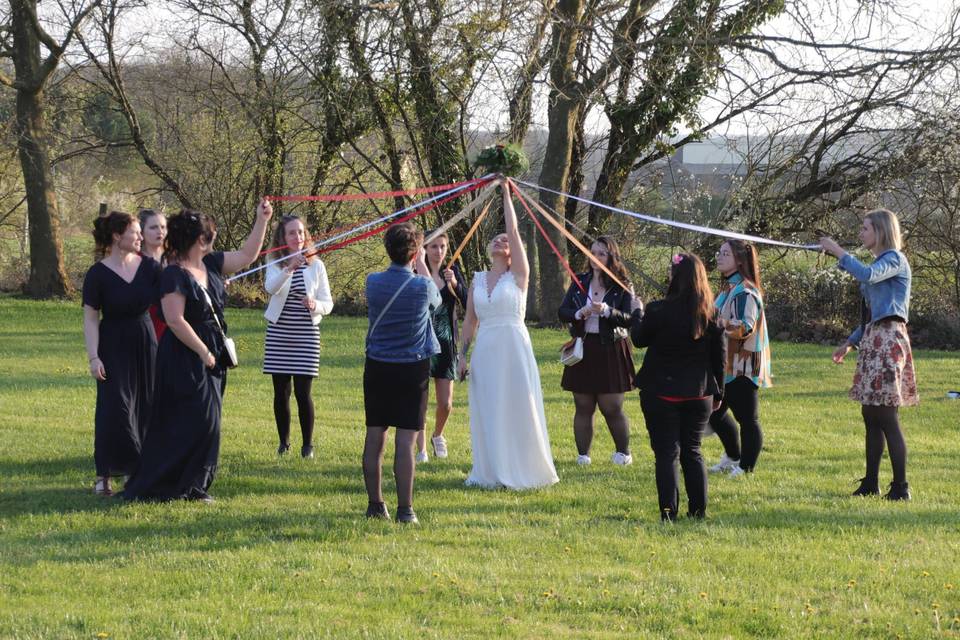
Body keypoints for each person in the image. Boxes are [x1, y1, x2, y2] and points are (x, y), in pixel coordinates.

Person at [123, 199, 273, 503]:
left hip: (213, 349)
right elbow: (175, 320)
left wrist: (263, 220)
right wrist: (203, 352)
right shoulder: (173, 274)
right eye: (209, 234)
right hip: (184, 354)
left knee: (210, 417)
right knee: (198, 419)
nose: (213, 239)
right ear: (197, 239)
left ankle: (193, 484)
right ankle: (176, 483)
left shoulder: (212, 264)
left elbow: (247, 255)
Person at [457, 180, 559, 490]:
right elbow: (469, 321)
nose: (502, 240)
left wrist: (506, 195)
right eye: (496, 238)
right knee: (489, 406)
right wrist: (462, 356)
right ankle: (490, 470)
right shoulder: (476, 279)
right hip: (486, 347)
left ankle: (523, 468)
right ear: (488, 249)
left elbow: (514, 232)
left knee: (516, 404)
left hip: (513, 345)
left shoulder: (519, 277)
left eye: (506, 240)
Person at [820, 209, 917, 501]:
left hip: (889, 341)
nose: (861, 233)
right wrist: (850, 342)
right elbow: (871, 314)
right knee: (870, 414)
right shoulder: (880, 261)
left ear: (881, 231)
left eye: (865, 229)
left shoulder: (894, 260)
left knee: (886, 414)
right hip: (875, 339)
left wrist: (839, 251)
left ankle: (900, 487)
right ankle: (870, 483)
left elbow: (867, 275)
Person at [631, 254, 725, 521]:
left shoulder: (658, 310)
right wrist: (718, 393)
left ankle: (668, 512)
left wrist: (636, 312)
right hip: (698, 394)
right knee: (692, 451)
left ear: (675, 277)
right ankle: (698, 511)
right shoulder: (711, 313)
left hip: (661, 392)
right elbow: (720, 358)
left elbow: (639, 339)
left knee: (667, 453)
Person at [362, 222, 441, 524]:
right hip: (412, 368)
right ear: (413, 253)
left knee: (374, 435)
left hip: (378, 366)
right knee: (406, 440)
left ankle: (374, 504)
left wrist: (413, 258)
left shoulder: (373, 281)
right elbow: (436, 300)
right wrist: (421, 263)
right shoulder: (421, 285)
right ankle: (405, 510)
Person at [82, 211, 162, 496]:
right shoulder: (97, 274)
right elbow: (91, 318)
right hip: (112, 344)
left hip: (145, 341)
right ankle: (104, 475)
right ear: (117, 236)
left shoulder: (150, 268)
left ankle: (136, 472)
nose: (141, 237)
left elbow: (175, 293)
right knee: (114, 408)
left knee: (145, 407)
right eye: (135, 232)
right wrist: (94, 357)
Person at [557, 236, 637, 466]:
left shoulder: (622, 284)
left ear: (612, 256)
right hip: (584, 348)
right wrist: (578, 313)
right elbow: (563, 311)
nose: (596, 257)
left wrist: (607, 311)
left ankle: (623, 453)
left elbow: (632, 318)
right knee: (583, 405)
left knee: (611, 406)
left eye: (601, 253)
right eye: (592, 252)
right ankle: (583, 456)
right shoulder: (580, 281)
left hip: (611, 348)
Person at [263, 215, 334, 459]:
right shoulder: (273, 261)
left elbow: (329, 303)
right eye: (292, 233)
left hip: (306, 334)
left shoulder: (317, 265)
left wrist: (315, 304)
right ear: (282, 238)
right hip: (279, 333)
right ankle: (284, 443)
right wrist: (289, 268)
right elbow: (271, 288)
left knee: (304, 393)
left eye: (301, 232)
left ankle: (307, 446)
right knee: (281, 392)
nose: (298, 237)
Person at [707, 240, 771, 477]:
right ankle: (733, 456)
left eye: (726, 254)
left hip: (742, 365)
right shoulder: (728, 289)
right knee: (714, 412)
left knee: (747, 418)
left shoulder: (745, 291)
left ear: (740, 260)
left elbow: (746, 326)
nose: (719, 257)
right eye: (719, 252)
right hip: (724, 364)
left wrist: (719, 324)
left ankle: (746, 467)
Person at [414, 230, 466, 462]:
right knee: (420, 400)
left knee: (445, 403)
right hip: (421, 340)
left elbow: (468, 303)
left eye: (442, 246)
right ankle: (422, 450)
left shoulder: (452, 273)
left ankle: (438, 435)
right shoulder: (416, 273)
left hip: (446, 341)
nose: (438, 251)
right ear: (425, 249)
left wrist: (455, 284)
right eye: (433, 247)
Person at [139, 209, 168, 339]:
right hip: (146, 325)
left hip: (176, 323)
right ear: (141, 232)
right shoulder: (134, 260)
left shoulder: (175, 258)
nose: (160, 231)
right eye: (153, 227)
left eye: (163, 227)